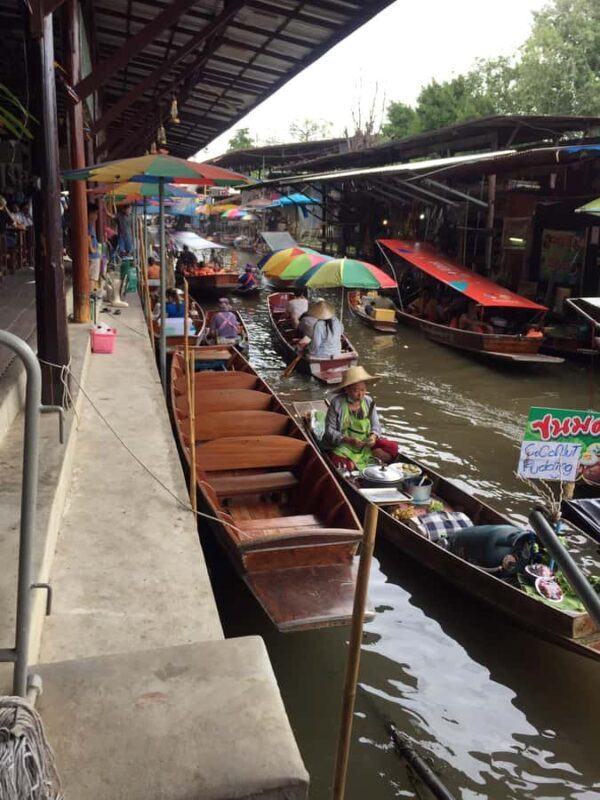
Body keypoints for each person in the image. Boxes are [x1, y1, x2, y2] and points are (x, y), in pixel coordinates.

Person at [324, 366, 399, 470]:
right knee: (337, 462)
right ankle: (366, 461)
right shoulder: (337, 403)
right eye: (356, 391)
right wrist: (349, 440)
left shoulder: (369, 401)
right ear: (347, 389)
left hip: (365, 443)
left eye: (363, 390)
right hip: (344, 444)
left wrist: (373, 437)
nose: (360, 395)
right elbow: (329, 431)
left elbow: (376, 425)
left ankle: (359, 462)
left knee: (393, 447)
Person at [88, 205, 101, 287]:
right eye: (95, 214)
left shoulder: (90, 225)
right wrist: (91, 249)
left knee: (92, 278)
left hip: (93, 256)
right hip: (92, 257)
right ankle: (91, 296)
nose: (96, 216)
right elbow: (87, 238)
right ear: (90, 214)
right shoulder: (88, 225)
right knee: (92, 278)